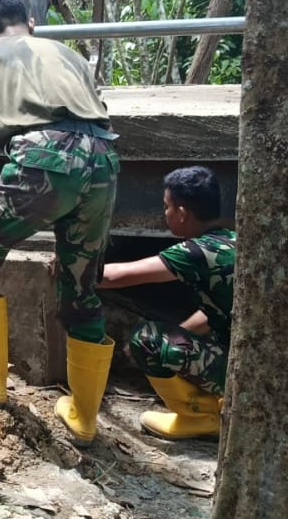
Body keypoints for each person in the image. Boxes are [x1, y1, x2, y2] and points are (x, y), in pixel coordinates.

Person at [0, 0, 121, 447]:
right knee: (80, 285)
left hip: (42, 157)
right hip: (103, 159)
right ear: (32, 21)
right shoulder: (70, 55)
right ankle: (83, 417)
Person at [97, 165, 234, 440]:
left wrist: (72, 267)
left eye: (166, 207)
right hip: (257, 367)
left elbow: (117, 275)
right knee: (169, 341)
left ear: (182, 213)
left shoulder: (195, 252)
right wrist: (178, 343)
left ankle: (200, 417)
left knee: (146, 339)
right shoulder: (231, 241)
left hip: (237, 370)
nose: (165, 214)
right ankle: (218, 405)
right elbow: (213, 314)